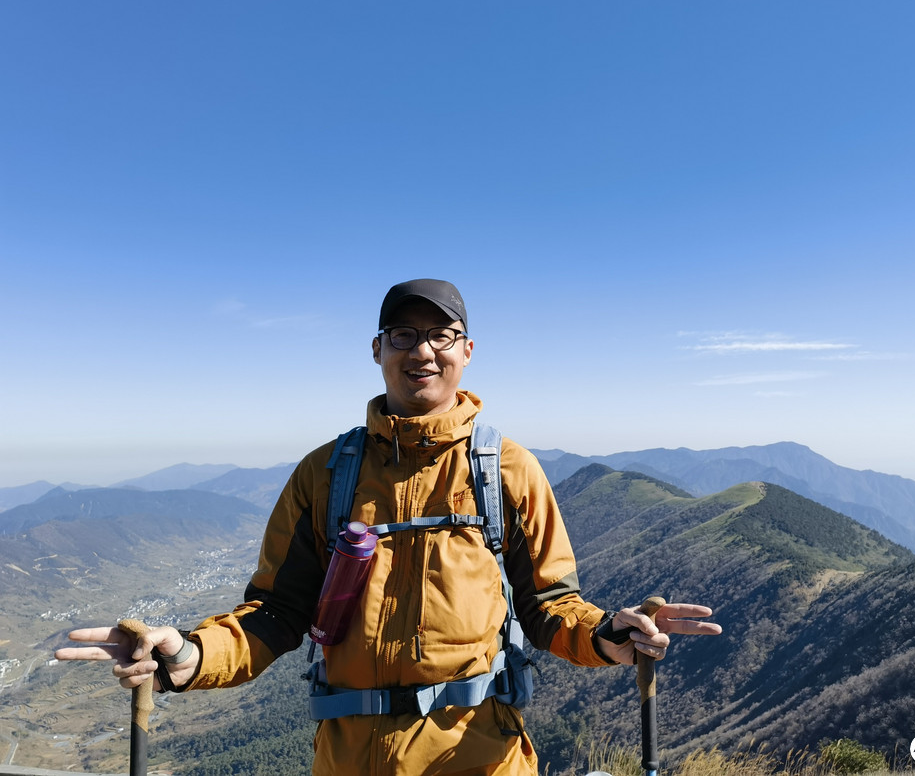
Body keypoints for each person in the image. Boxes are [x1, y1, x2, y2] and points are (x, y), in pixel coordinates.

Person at [56, 279, 722, 775]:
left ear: (466, 350)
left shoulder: (507, 470)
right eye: (403, 334)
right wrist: (189, 656)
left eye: (440, 335)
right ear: (377, 349)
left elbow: (550, 608)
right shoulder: (327, 474)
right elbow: (276, 615)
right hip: (352, 760)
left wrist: (609, 636)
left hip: (480, 756)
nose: (422, 349)